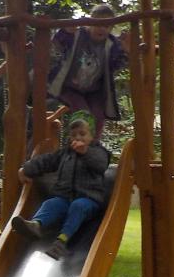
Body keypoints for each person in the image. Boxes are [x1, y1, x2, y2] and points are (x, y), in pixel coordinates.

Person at [12, 112, 110, 261]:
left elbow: (101, 164)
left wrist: (86, 152)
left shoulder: (99, 152)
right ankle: (36, 225)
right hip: (64, 198)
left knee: (78, 206)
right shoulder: (65, 154)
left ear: (92, 136)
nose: (78, 138)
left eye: (82, 134)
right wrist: (26, 169)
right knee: (51, 203)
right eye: (74, 135)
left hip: (88, 200)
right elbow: (46, 161)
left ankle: (61, 242)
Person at [47, 3, 128, 141]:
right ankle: (79, 142)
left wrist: (127, 51)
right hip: (70, 87)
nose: (101, 29)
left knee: (98, 115)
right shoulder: (78, 34)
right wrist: (66, 31)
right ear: (89, 23)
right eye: (97, 24)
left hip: (94, 90)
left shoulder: (112, 44)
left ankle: (93, 145)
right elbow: (58, 42)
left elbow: (117, 64)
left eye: (106, 26)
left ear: (111, 28)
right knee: (82, 112)